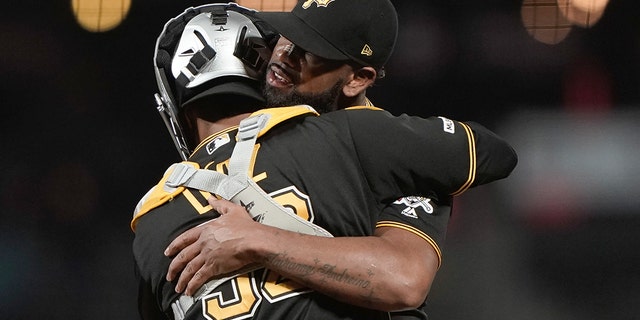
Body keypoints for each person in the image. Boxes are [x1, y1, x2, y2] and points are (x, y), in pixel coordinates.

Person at [131, 3, 517, 320]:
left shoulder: (149, 218)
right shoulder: (358, 142)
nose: (284, 56)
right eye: (289, 35)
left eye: (310, 51)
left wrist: (258, 240)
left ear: (357, 79)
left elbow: (403, 279)